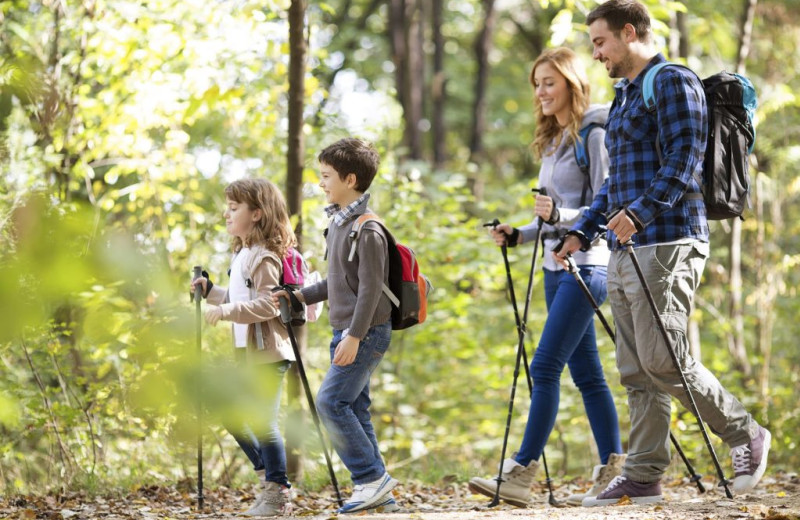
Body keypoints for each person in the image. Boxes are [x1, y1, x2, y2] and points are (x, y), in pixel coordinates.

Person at [554, 0, 771, 506]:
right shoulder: (626, 95)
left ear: (629, 33)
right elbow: (613, 184)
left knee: (663, 357)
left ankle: (745, 433)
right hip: (627, 246)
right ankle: (644, 473)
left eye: (601, 42)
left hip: (670, 237)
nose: (597, 54)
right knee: (635, 369)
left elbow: (686, 157)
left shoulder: (672, 80)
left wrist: (642, 214)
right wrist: (582, 231)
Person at [468, 47, 625, 508]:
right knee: (588, 375)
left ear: (572, 84)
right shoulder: (555, 141)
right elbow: (553, 219)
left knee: (544, 367)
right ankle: (614, 467)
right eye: (537, 83)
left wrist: (560, 213)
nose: (540, 92)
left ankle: (520, 472)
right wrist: (519, 234)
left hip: (588, 265)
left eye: (549, 82)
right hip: (555, 269)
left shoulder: (593, 134)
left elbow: (604, 204)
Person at [272, 138, 399, 514]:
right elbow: (338, 283)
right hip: (346, 330)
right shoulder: (339, 224)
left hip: (365, 331)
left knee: (330, 403)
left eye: (327, 175)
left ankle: (370, 479)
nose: (322, 182)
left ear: (350, 178)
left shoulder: (368, 228)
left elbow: (372, 288)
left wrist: (355, 336)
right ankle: (381, 495)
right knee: (355, 408)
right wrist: (299, 297)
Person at [190, 178, 297, 516]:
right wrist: (211, 291)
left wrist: (222, 312)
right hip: (248, 354)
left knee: (264, 422)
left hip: (268, 352)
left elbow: (269, 305)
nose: (226, 214)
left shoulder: (264, 256)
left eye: (234, 208)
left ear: (257, 214)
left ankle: (277, 492)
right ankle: (269, 477)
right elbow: (240, 298)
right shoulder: (242, 254)